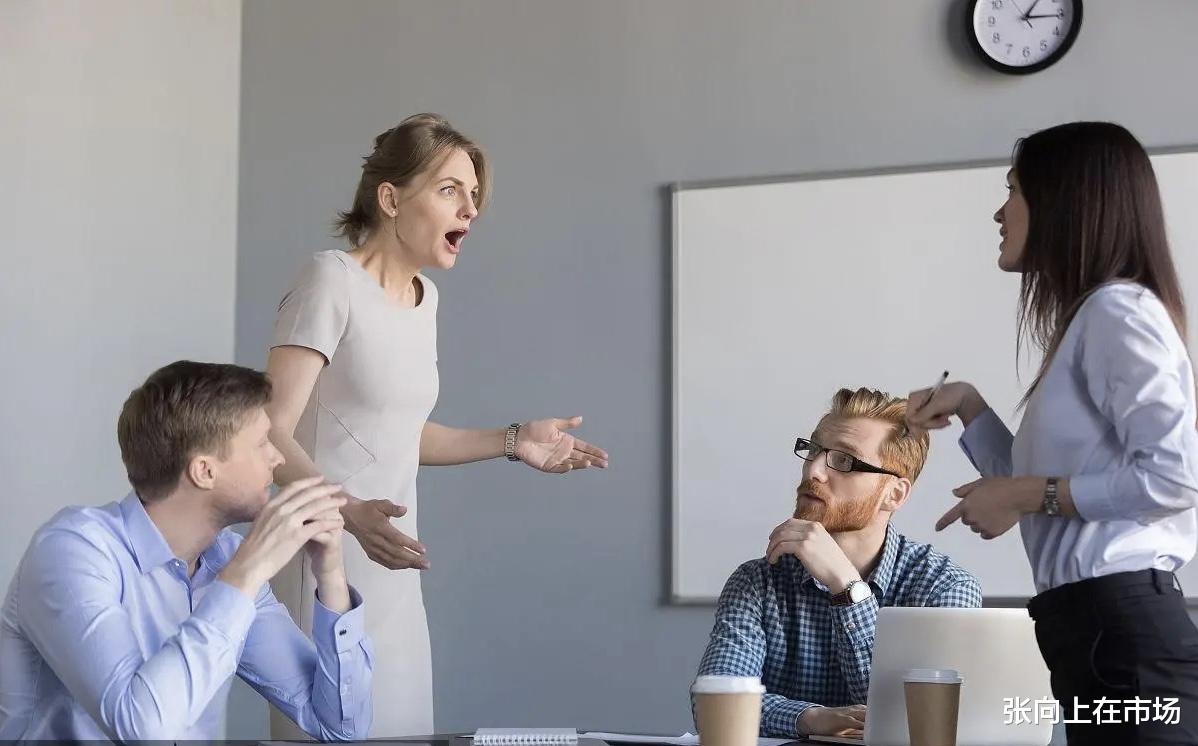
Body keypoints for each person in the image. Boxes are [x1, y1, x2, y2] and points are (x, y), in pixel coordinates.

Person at [265, 113, 609, 737]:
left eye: (474, 196)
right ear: (391, 198)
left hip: (394, 572)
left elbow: (399, 434)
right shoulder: (329, 281)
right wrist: (345, 511)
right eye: (451, 189)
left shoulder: (426, 301)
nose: (470, 210)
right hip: (325, 561)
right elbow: (268, 430)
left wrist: (512, 442)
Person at [906, 121, 1198, 746]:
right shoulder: (1093, 318)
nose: (998, 210)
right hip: (1090, 637)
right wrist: (970, 407)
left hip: (1125, 643)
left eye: (1013, 189)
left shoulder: (1117, 312)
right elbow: (1043, 483)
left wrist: (1020, 496)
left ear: (1066, 200)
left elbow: (1175, 477)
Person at [0, 361, 372, 741]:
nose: (278, 460)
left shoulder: (227, 560)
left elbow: (340, 727)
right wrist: (245, 574)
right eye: (262, 443)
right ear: (204, 471)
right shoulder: (72, 552)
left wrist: (329, 574)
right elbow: (142, 729)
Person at [694, 387, 981, 740]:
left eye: (844, 461)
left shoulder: (943, 587)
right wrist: (812, 718)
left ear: (894, 494)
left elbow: (916, 721)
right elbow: (717, 706)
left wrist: (847, 587)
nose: (813, 470)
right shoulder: (757, 581)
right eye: (813, 450)